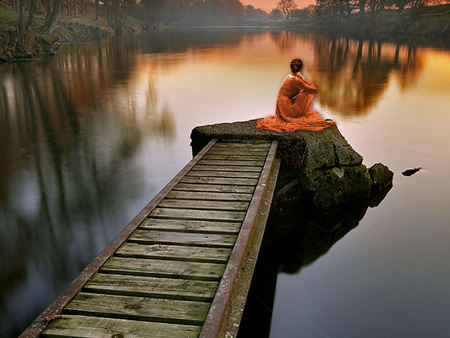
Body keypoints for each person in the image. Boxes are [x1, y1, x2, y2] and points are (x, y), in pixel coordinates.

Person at [257, 58, 335, 132]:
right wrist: (302, 77)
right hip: (285, 107)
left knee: (306, 91)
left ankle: (300, 112)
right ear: (301, 69)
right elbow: (314, 89)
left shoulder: (289, 77)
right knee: (308, 92)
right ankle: (302, 113)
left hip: (281, 105)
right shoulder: (296, 80)